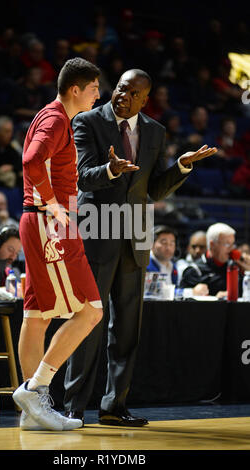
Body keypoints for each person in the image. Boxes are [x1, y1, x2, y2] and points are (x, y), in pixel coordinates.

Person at [63, 68, 217, 426]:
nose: (123, 96)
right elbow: (82, 175)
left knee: (127, 328)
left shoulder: (155, 131)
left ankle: (113, 406)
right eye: (120, 88)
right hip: (97, 228)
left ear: (145, 100)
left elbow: (155, 189)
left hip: (136, 233)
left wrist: (182, 166)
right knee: (88, 322)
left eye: (133, 93)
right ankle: (72, 406)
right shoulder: (88, 121)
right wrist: (112, 170)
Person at [12, 57, 103, 432]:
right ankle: (37, 389)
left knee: (37, 316)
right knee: (91, 310)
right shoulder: (55, 119)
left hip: (39, 221)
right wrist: (51, 202)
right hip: (50, 223)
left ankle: (30, 411)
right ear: (75, 89)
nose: (100, 93)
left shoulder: (54, 117)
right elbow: (32, 160)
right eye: (95, 87)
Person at [180, 223, 250, 297]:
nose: (231, 249)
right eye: (227, 244)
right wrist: (193, 292)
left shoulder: (237, 267)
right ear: (212, 245)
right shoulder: (194, 270)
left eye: (233, 244)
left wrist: (248, 272)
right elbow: (180, 300)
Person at [147, 225, 209, 296]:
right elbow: (154, 292)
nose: (168, 247)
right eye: (164, 243)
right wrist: (191, 292)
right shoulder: (146, 265)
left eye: (172, 243)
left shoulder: (172, 266)